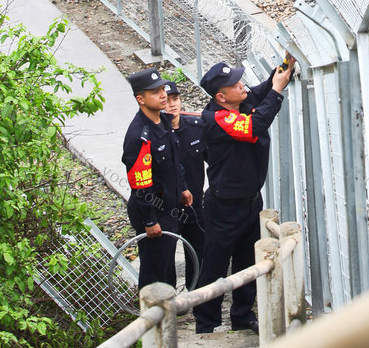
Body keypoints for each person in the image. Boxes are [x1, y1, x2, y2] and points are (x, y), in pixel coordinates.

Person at [192, 56, 295, 335]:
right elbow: (253, 126)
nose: (242, 85)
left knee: (247, 261)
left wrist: (285, 65)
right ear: (221, 96)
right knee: (215, 264)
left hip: (250, 199)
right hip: (224, 205)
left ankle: (241, 315)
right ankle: (206, 322)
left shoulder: (241, 101)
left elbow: (261, 89)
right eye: (235, 84)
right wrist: (276, 92)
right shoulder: (217, 117)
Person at [122, 68, 192, 290]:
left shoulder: (163, 121)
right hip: (153, 210)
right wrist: (150, 221)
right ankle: (152, 318)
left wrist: (183, 188)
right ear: (140, 99)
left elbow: (173, 162)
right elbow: (140, 186)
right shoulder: (139, 135)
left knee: (166, 264)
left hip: (170, 205)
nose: (163, 95)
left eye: (162, 89)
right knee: (154, 270)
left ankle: (168, 313)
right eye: (155, 92)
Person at [162, 79, 205, 290]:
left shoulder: (195, 127)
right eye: (167, 100)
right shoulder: (156, 133)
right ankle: (169, 302)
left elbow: (213, 159)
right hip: (167, 206)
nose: (172, 105)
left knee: (198, 252)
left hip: (195, 205)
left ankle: (195, 295)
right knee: (166, 255)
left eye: (176, 99)